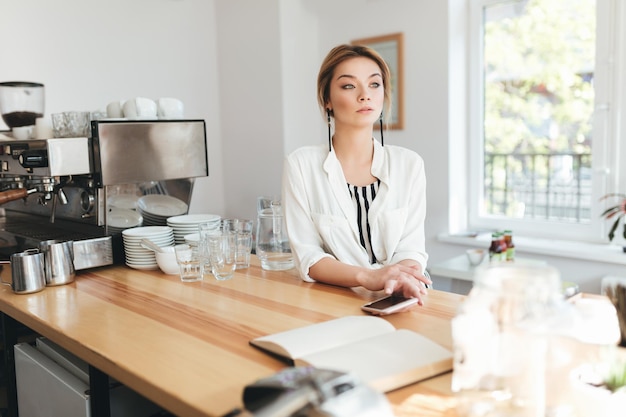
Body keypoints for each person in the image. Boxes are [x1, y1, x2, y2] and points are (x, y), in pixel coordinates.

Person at [281, 44, 430, 304]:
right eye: (349, 86)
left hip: (399, 298)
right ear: (327, 99)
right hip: (331, 302)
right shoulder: (301, 165)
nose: (365, 95)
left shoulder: (410, 164)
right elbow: (309, 257)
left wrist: (397, 278)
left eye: (374, 84)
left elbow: (412, 248)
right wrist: (368, 277)